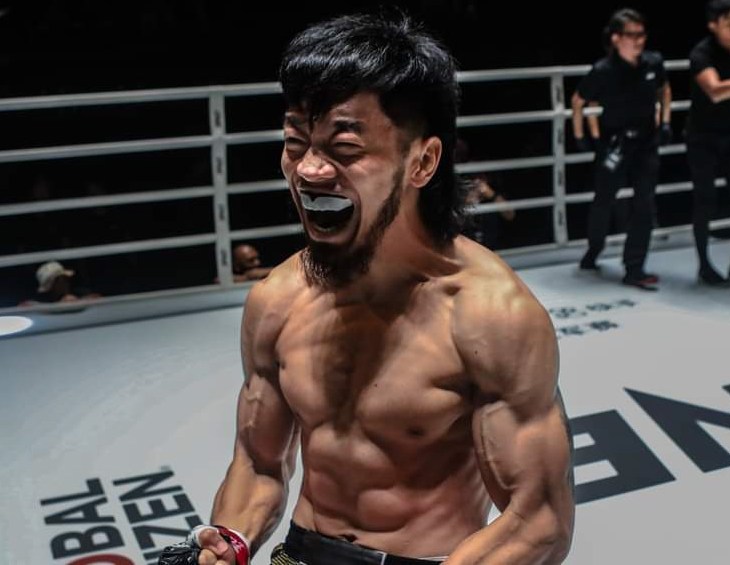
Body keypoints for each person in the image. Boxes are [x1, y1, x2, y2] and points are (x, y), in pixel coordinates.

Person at [160, 11, 574, 565]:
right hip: (299, 552)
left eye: (345, 149)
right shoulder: (277, 299)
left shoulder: (490, 315)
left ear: (422, 162)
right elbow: (259, 466)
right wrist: (230, 543)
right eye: (295, 142)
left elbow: (538, 520)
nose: (308, 171)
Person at [571, 8, 673, 290]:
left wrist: (666, 122)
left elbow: (665, 89)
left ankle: (634, 267)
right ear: (616, 38)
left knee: (645, 203)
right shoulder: (603, 70)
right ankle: (594, 249)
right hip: (614, 143)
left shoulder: (653, 62)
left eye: (641, 34)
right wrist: (580, 136)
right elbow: (579, 100)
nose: (638, 40)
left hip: (646, 141)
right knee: (604, 200)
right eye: (631, 35)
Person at [686, 0, 730, 286]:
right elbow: (714, 91)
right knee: (705, 200)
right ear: (713, 25)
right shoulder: (701, 53)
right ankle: (704, 264)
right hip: (702, 137)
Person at [455, 139, 516, 249]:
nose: (477, 180)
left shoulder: (493, 191)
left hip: (491, 248)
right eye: (473, 175)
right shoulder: (460, 191)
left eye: (480, 174)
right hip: (466, 250)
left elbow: (510, 215)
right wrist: (465, 204)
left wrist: (491, 194)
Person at [17, 260, 101, 306]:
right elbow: (24, 306)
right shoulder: (40, 302)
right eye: (61, 280)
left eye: (65, 278)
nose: (66, 282)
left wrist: (78, 302)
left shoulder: (80, 292)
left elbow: (97, 298)